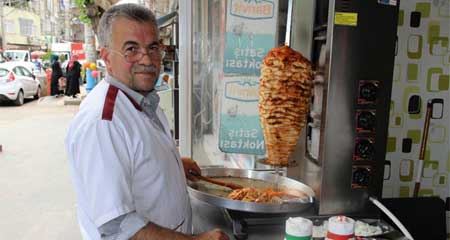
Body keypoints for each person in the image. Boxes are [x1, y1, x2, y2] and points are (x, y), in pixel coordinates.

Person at [65, 4, 229, 240]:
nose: (147, 59)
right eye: (131, 49)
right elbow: (118, 228)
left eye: (153, 47)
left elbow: (133, 155)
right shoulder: (104, 121)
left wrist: (167, 165)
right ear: (107, 57)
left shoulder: (141, 98)